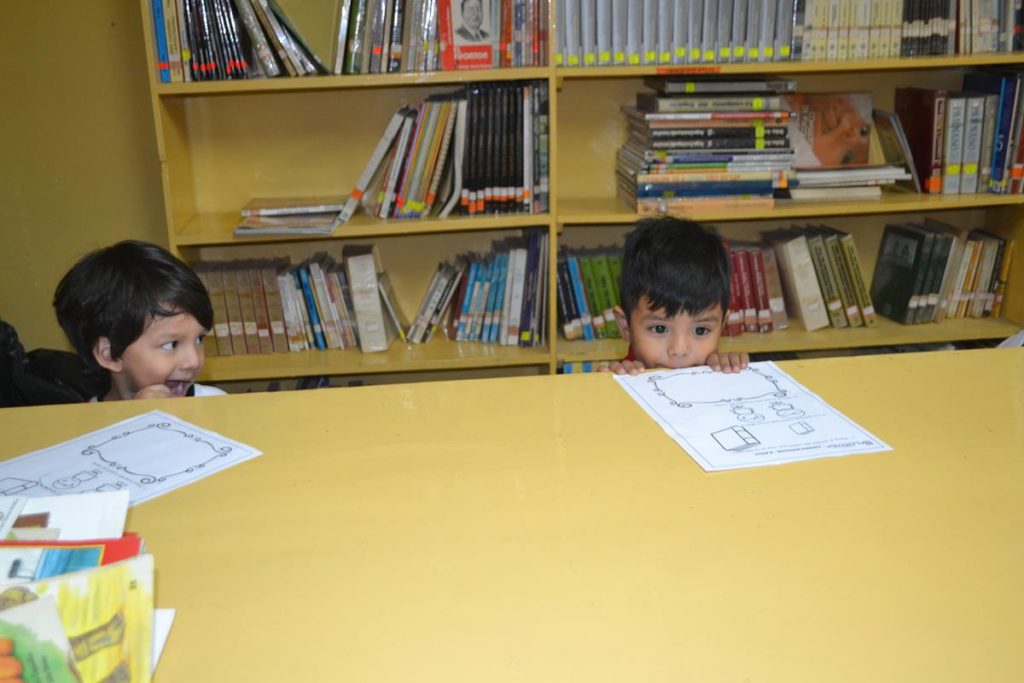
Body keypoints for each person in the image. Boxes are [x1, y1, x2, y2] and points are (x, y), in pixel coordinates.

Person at [53, 240, 225, 401]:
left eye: (199, 339)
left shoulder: (214, 404)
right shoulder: (87, 420)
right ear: (110, 355)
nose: (194, 361)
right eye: (171, 344)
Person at [606, 217, 749, 375]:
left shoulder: (723, 374)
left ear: (722, 326)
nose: (680, 350)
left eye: (701, 330)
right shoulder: (616, 378)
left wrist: (734, 374)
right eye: (659, 329)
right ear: (625, 326)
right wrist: (607, 385)